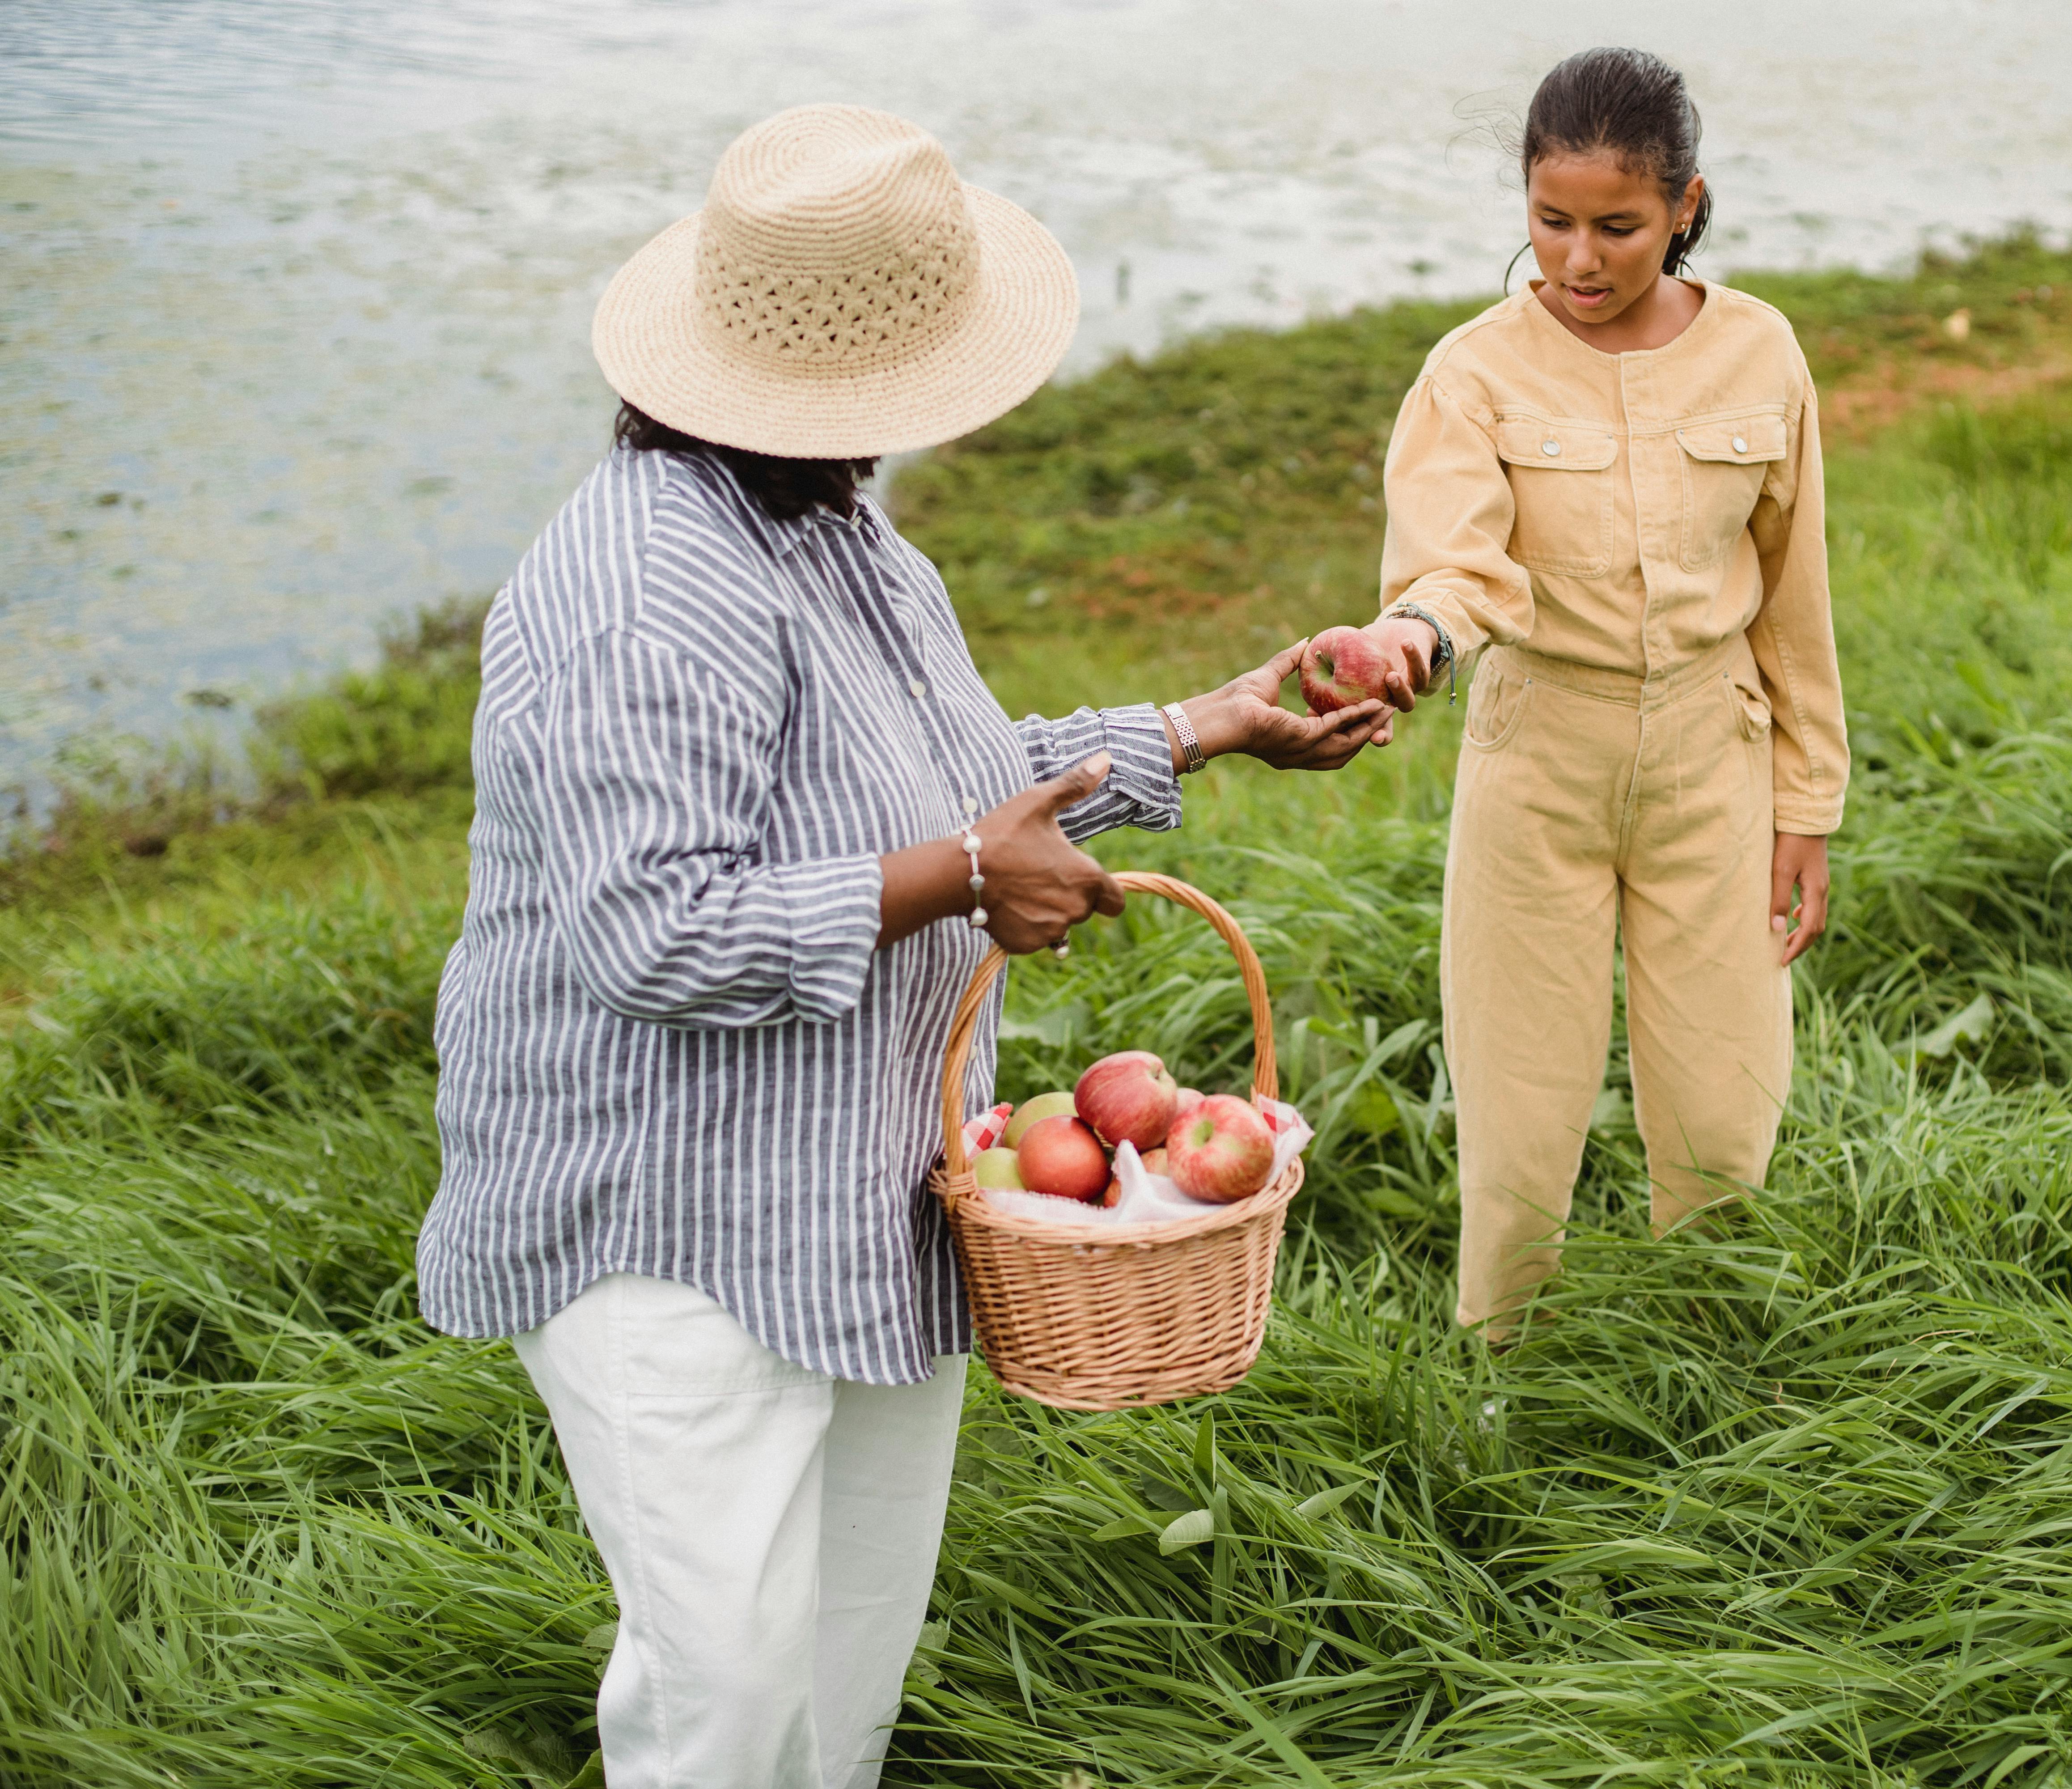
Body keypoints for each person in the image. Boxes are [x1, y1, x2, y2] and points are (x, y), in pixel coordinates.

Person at [413, 105, 1386, 1789]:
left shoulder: (834, 529)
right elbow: (655, 931)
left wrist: (1201, 725)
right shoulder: (646, 584)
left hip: (859, 1191)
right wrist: (954, 880)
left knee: (849, 1653)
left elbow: (946, 779)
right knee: (719, 1702)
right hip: (676, 1233)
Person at [1356, 47, 1848, 1335]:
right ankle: (1499, 1391)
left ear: (1686, 204)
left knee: (1727, 1126)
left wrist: (1810, 807)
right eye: (1551, 222)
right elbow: (1454, 566)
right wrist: (1410, 638)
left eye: (1618, 228)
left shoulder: (1762, 352)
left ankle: (1715, 1377)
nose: (1579, 259)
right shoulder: (1470, 373)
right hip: (1538, 766)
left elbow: (1797, 598)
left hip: (1716, 761)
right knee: (1520, 1140)